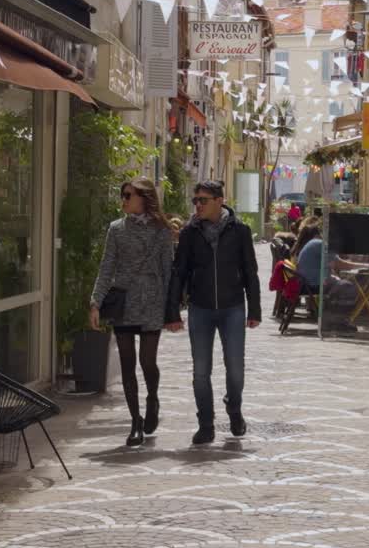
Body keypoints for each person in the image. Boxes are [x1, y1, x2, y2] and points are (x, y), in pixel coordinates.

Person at [166, 180, 262, 445]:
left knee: (235, 369)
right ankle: (206, 423)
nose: (198, 205)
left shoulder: (240, 231)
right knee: (200, 371)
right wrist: (172, 312)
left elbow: (250, 271)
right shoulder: (189, 233)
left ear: (220, 201)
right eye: (195, 200)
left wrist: (254, 309)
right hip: (200, 308)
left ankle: (234, 408)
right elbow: (179, 273)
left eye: (203, 200)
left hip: (233, 308)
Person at [90, 177, 177, 448]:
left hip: (152, 301)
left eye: (129, 195)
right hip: (124, 301)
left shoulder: (162, 231)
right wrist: (95, 303)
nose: (124, 200)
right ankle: (135, 421)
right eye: (123, 195)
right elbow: (106, 268)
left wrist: (171, 310)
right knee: (127, 363)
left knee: (147, 361)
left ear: (144, 198)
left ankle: (152, 398)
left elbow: (168, 271)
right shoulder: (116, 229)